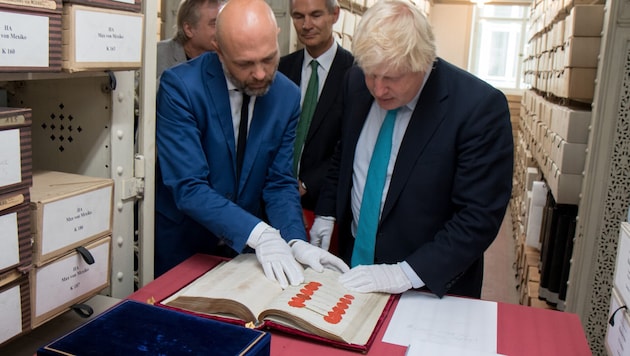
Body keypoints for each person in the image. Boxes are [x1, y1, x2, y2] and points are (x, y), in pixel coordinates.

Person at [310, 0, 514, 299]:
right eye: (372, 74)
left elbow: (478, 217)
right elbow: (346, 155)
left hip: (426, 285)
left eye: (391, 78)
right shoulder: (355, 82)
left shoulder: (478, 108)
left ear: (424, 61)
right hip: (353, 269)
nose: (378, 89)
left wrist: (404, 272)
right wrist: (326, 212)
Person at [155, 0, 349, 285]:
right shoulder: (180, 87)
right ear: (218, 48)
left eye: (269, 59)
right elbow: (189, 186)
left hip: (245, 253)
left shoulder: (286, 95)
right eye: (245, 64)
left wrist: (295, 240)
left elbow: (279, 182)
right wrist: (261, 234)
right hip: (187, 245)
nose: (260, 74)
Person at [278, 0, 354, 219]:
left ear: (335, 15)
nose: (306, 25)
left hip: (324, 206)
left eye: (316, 15)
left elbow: (351, 144)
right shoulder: (281, 69)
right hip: (276, 199)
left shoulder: (356, 74)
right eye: (298, 16)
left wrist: (307, 184)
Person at [156, 0, 224, 79]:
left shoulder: (224, 58)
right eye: (214, 24)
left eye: (222, 23)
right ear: (189, 29)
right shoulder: (156, 56)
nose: (222, 30)